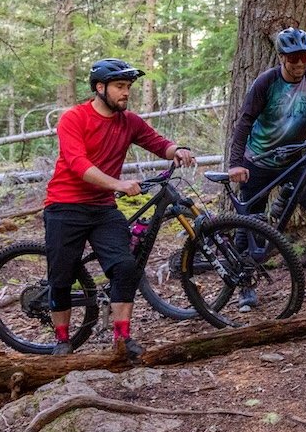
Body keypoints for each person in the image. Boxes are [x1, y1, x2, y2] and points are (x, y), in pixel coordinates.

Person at [45, 58, 196, 357]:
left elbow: (157, 143)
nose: (126, 92)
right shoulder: (74, 118)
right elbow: (78, 164)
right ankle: (62, 340)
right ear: (100, 88)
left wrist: (176, 150)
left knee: (126, 267)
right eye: (119, 86)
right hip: (65, 205)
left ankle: (122, 338)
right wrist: (118, 184)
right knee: (61, 277)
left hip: (103, 208)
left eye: (128, 86)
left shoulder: (129, 121)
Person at [227, 27, 306, 306]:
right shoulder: (266, 82)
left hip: (295, 161)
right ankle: (244, 286)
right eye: (294, 58)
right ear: (282, 57)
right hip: (258, 161)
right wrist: (235, 164)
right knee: (250, 223)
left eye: (305, 56)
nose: (300, 63)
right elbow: (244, 122)